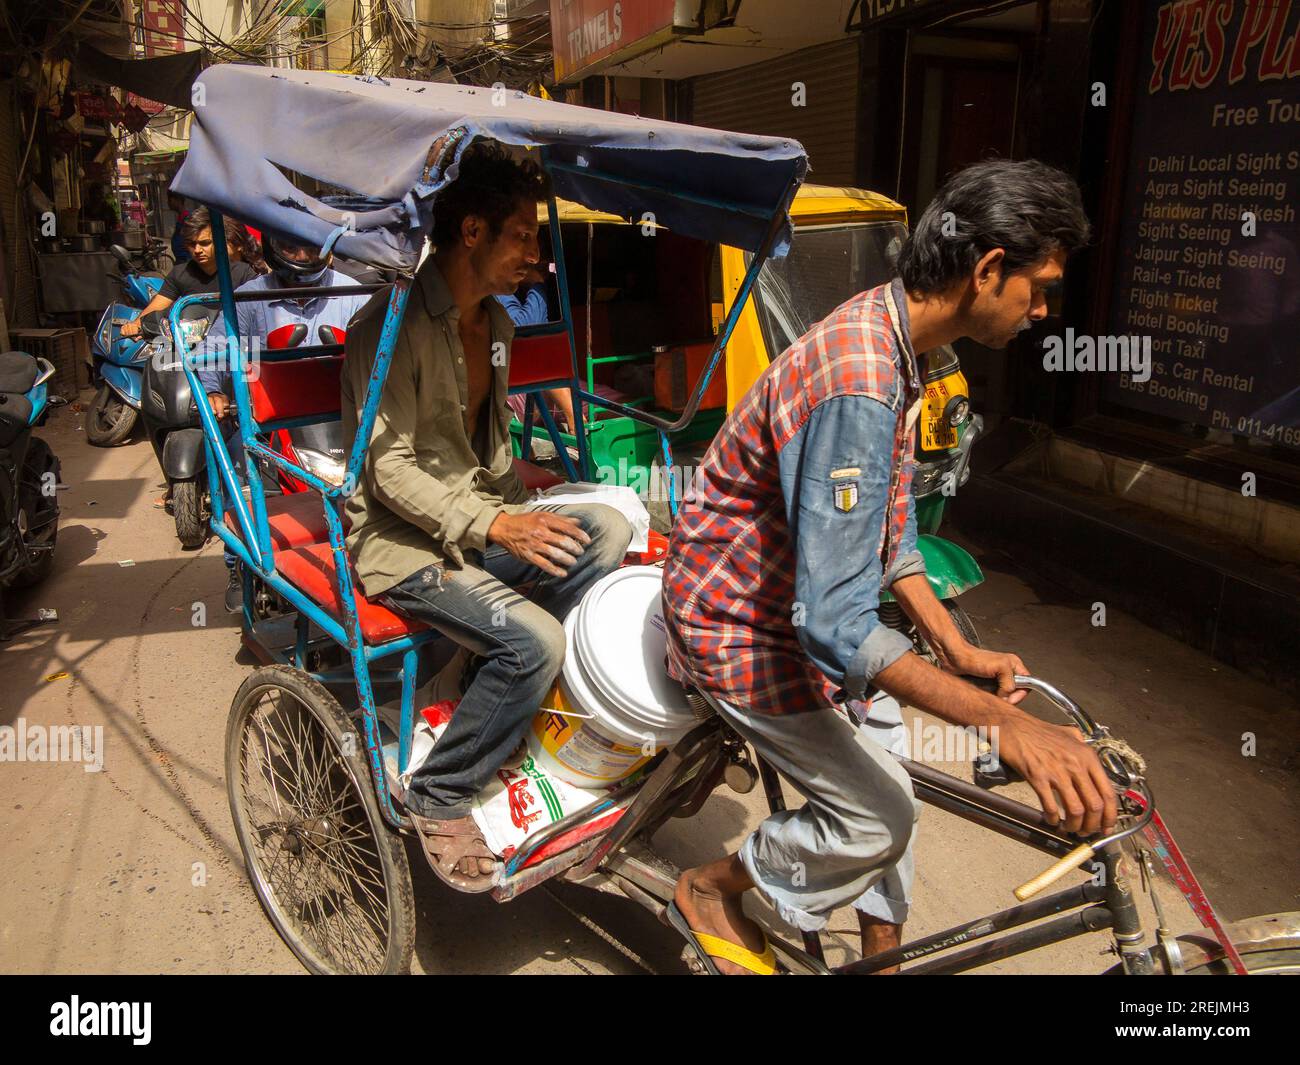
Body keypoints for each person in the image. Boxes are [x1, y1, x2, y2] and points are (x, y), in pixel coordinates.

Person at [660, 159, 1117, 975]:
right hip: (732, 619)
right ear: (985, 271)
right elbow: (836, 624)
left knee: (890, 767)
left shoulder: (901, 340)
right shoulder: (862, 377)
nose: (1043, 309)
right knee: (879, 815)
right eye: (1039, 286)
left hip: (799, 607)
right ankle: (713, 884)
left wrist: (954, 649)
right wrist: (1003, 723)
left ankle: (882, 955)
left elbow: (889, 527)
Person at [341, 142, 631, 892]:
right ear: (471, 232)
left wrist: (532, 511)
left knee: (610, 530)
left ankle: (490, 678)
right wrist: (497, 527)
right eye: (523, 236)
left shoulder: (497, 327)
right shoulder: (388, 327)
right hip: (400, 542)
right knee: (536, 641)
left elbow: (491, 446)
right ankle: (437, 791)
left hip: (479, 519)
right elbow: (387, 469)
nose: (535, 254)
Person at [200, 235, 372, 612]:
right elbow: (212, 353)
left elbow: (384, 352)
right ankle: (239, 566)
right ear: (275, 251)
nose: (303, 257)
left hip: (341, 421)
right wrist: (214, 394)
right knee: (240, 472)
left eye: (311, 249)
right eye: (294, 249)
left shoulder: (355, 293)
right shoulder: (245, 298)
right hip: (264, 425)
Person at [120, 207, 259, 339]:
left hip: (233, 344)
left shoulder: (244, 273)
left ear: (219, 241)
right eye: (192, 244)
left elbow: (258, 312)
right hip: (190, 348)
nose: (198, 250)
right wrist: (135, 325)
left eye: (205, 243)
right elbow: (157, 305)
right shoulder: (179, 273)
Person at [498, 262, 577, 433]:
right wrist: (537, 284)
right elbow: (525, 328)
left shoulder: (546, 287)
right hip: (518, 391)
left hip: (554, 385)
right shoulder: (498, 287)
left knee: (618, 404)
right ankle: (575, 420)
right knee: (542, 354)